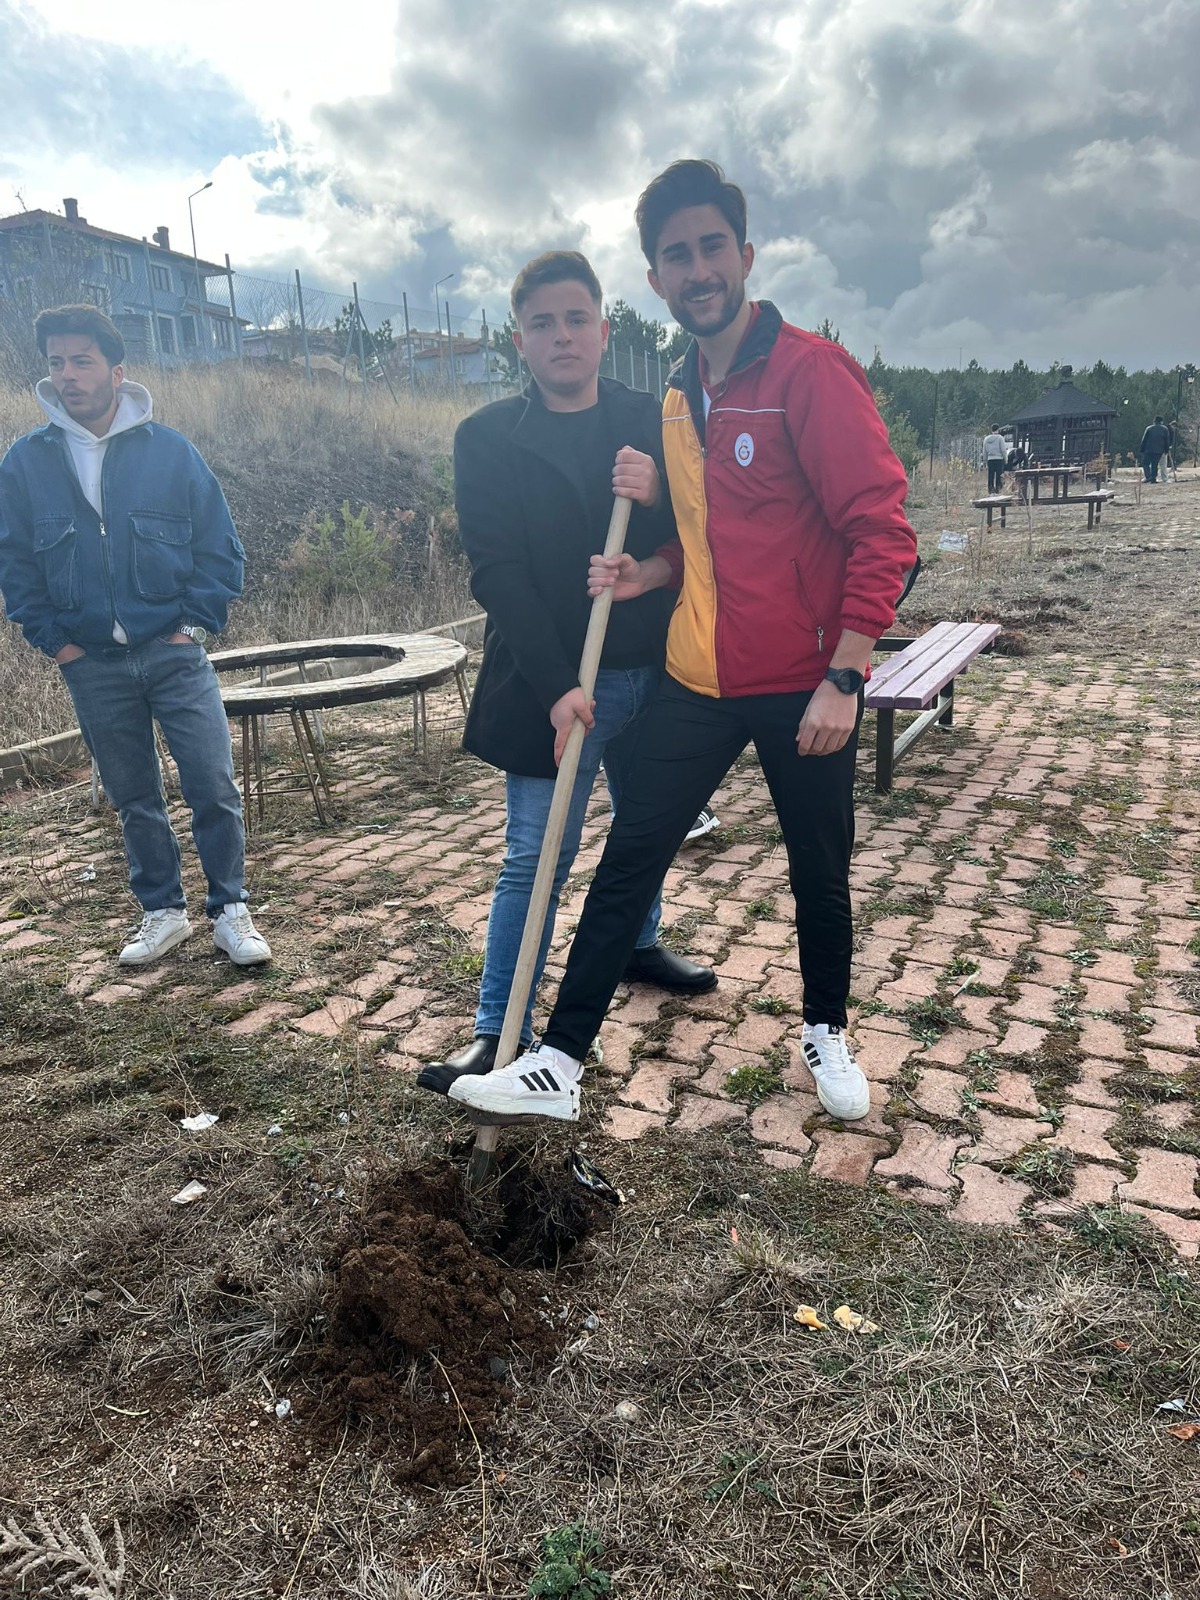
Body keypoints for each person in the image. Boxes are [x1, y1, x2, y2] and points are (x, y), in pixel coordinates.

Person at [448, 159, 917, 1126]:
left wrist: (845, 674)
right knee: (631, 855)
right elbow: (706, 535)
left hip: (803, 682)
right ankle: (558, 1061)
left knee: (817, 863)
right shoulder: (677, 394)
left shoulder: (810, 372)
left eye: (712, 248)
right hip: (698, 677)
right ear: (656, 279)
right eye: (677, 256)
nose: (698, 270)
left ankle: (825, 1027)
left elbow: (884, 532)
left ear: (744, 256)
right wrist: (652, 572)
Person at [417, 252, 713, 1096]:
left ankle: (638, 942)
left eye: (576, 318)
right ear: (519, 340)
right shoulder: (486, 438)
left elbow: (704, 524)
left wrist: (657, 493)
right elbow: (497, 573)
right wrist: (557, 687)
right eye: (542, 323)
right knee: (535, 855)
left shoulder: (651, 418)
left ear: (603, 328)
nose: (561, 336)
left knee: (646, 830)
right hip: (554, 683)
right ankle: (496, 1029)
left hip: (658, 669)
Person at [0, 305, 270, 969]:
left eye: (82, 361)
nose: (67, 375)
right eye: (57, 362)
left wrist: (193, 628)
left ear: (116, 371)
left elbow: (220, 550)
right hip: (91, 662)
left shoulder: (170, 452)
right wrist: (59, 644)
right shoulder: (26, 464)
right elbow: (16, 566)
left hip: (173, 654)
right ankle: (164, 912)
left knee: (212, 784)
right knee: (133, 797)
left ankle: (230, 909)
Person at [1140, 415, 1171, 483]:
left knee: (1145, 463)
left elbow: (1144, 440)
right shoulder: (1165, 429)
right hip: (1159, 450)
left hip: (1148, 449)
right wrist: (1166, 450)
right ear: (1161, 422)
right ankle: (1153, 479)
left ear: (1154, 421)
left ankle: (1148, 476)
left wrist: (1142, 449)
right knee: (1154, 464)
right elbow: (1166, 441)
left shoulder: (1149, 428)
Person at [982, 424, 1007, 494]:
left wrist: (984, 460)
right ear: (998, 429)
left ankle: (990, 490)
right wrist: (1005, 459)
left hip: (990, 459)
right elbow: (1003, 450)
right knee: (999, 475)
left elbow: (984, 451)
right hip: (999, 459)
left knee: (991, 475)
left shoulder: (986, 439)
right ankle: (998, 489)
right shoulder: (1000, 438)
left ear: (991, 430)